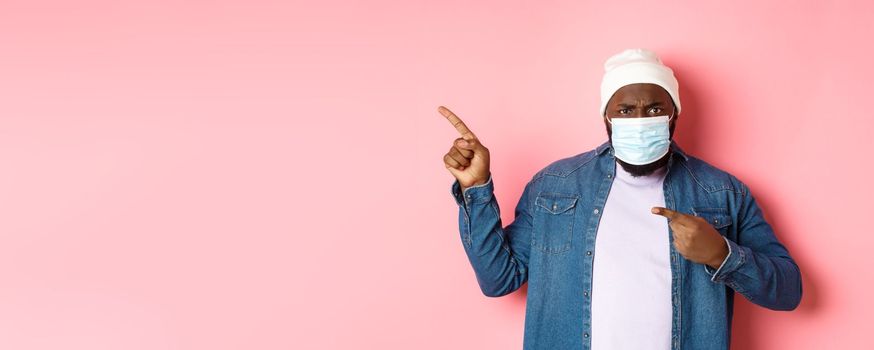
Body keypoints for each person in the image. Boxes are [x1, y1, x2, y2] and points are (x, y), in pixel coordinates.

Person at [440, 48, 802, 350]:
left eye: (655, 109)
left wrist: (721, 254)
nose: (641, 120)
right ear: (607, 117)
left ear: (674, 114)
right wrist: (477, 188)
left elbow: (788, 291)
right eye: (626, 110)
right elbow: (498, 280)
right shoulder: (555, 185)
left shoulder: (723, 192)